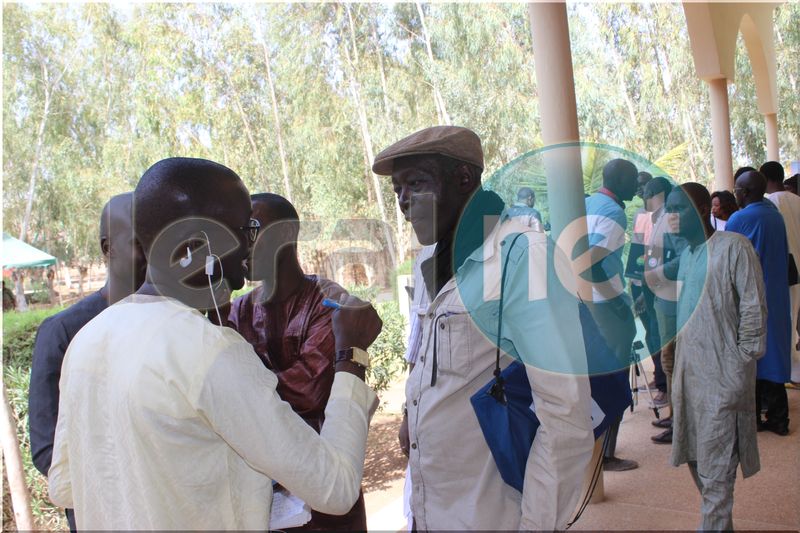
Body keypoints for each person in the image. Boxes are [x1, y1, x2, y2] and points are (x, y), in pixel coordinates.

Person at [48, 157, 382, 529]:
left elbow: (65, 485)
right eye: (244, 229)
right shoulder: (209, 350)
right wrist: (351, 355)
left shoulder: (88, 340)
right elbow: (334, 487)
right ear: (195, 246)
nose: (249, 245)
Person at [374, 126, 594, 530]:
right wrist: (411, 412)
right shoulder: (432, 259)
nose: (404, 202)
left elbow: (566, 417)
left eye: (416, 183)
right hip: (431, 513)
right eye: (397, 190)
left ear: (464, 179)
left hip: (491, 516)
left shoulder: (522, 257)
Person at [226, 192, 366, 531]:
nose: (242, 244)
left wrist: (242, 392)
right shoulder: (237, 310)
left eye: (252, 229)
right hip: (263, 500)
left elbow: (308, 389)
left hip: (325, 489)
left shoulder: (329, 302)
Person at [28, 192, 146, 531]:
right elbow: (48, 449)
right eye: (141, 242)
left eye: (160, 242)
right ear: (108, 249)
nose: (154, 256)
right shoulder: (63, 331)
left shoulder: (183, 325)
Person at [667, 183, 766, 532]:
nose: (673, 218)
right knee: (699, 464)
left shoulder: (734, 247)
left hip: (723, 384)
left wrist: (739, 368)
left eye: (678, 209)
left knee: (718, 473)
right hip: (690, 384)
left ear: (703, 208)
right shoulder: (687, 257)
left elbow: (754, 310)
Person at [726, 170, 792, 436]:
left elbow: (729, 262)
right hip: (776, 295)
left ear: (746, 192)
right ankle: (779, 420)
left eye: (737, 190)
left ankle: (750, 420)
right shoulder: (775, 216)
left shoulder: (739, 219)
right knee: (774, 354)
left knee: (748, 358)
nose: (735, 194)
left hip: (749, 297)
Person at [584, 158, 639, 471]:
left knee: (596, 379)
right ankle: (606, 455)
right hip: (607, 305)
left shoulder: (588, 204)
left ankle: (598, 452)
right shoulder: (615, 211)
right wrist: (616, 303)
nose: (636, 187)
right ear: (620, 181)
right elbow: (590, 261)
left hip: (586, 303)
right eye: (632, 181)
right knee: (614, 379)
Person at [641, 177, 687, 445]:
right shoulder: (656, 218)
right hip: (661, 298)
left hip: (673, 299)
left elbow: (686, 255)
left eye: (645, 190)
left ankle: (679, 423)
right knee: (668, 361)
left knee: (673, 362)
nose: (641, 193)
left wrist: (659, 273)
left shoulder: (671, 219)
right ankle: (675, 416)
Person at [762, 161, 800, 387]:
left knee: (783, 320)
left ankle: (786, 372)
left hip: (784, 268)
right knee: (794, 317)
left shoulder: (770, 203)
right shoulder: (797, 200)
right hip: (797, 267)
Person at [630, 172, 666, 402]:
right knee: (649, 331)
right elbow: (636, 246)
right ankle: (658, 376)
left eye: (645, 185)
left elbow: (660, 250)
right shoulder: (639, 215)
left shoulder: (665, 216)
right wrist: (633, 278)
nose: (641, 189)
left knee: (658, 331)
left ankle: (665, 385)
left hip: (657, 281)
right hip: (638, 280)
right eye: (639, 185)